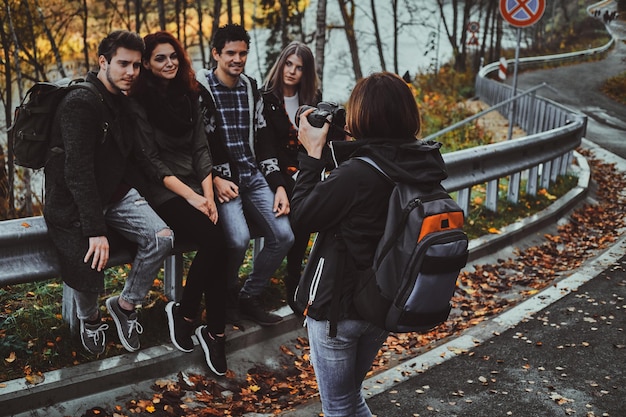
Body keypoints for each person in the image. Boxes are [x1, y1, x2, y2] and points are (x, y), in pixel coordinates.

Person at [291, 72, 449, 416]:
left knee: (337, 406)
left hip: (339, 309)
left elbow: (301, 216)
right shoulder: (422, 162)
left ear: (362, 116)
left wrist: (312, 155)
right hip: (382, 300)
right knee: (351, 399)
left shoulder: (356, 175)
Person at [43, 30, 174, 356]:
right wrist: (95, 230)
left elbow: (133, 155)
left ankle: (125, 306)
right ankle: (89, 319)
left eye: (135, 65)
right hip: (73, 200)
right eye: (122, 64)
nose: (131, 72)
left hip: (113, 192)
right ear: (103, 62)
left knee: (162, 237)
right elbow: (78, 172)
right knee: (89, 257)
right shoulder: (80, 103)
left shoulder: (121, 99)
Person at [129, 31, 229, 375]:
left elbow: (201, 148)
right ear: (146, 63)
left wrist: (209, 196)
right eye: (160, 58)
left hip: (195, 185)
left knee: (222, 246)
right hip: (163, 189)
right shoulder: (138, 101)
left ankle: (214, 331)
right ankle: (187, 313)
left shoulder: (190, 94)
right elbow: (150, 161)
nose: (169, 63)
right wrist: (193, 198)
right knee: (218, 242)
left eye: (173, 56)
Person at [195, 24, 294, 326]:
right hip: (224, 181)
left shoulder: (251, 88)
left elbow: (263, 138)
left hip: (253, 176)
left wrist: (278, 186)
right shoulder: (200, 91)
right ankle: (224, 297)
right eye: (230, 53)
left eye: (243, 53)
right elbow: (195, 143)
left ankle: (249, 296)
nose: (237, 59)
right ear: (216, 54)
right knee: (237, 240)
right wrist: (212, 178)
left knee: (284, 236)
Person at [261, 41, 321, 313]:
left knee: (308, 212)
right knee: (301, 208)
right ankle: (287, 281)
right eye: (288, 64)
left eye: (299, 68)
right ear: (281, 63)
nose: (292, 71)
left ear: (306, 72)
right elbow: (266, 145)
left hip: (306, 170)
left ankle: (295, 278)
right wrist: (291, 174)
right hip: (276, 172)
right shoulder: (266, 98)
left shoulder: (313, 99)